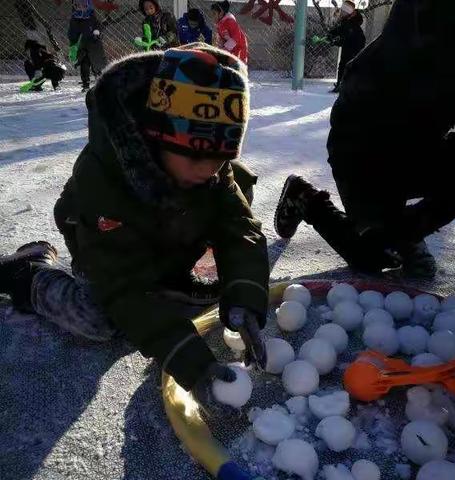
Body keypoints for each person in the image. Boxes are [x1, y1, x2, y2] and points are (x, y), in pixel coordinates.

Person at [0, 45, 269, 415]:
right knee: (100, 319)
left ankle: (169, 278)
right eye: (196, 157)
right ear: (159, 136)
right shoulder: (104, 178)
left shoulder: (208, 167)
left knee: (224, 275)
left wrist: (246, 300)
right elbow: (121, 286)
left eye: (221, 159)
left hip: (167, 231)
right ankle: (27, 273)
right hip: (103, 244)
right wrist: (195, 365)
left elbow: (239, 227)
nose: (209, 169)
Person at [274, 0, 455, 277]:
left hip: (419, 146)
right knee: (372, 255)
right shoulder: (422, 35)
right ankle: (306, 198)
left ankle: (398, 229)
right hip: (364, 150)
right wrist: (403, 226)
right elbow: (356, 145)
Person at [55, 0, 115, 92]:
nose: (80, 7)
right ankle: (86, 84)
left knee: (97, 64)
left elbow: (98, 26)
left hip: (93, 44)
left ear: (88, 5)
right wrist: (73, 45)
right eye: (77, 5)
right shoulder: (74, 19)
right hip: (82, 47)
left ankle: (100, 81)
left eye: (83, 5)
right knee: (84, 64)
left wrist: (97, 33)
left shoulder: (91, 17)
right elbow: (71, 34)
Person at [327, 0, 365, 93]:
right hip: (349, 46)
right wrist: (331, 34)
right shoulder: (347, 21)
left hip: (354, 47)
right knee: (344, 64)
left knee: (347, 65)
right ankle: (342, 83)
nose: (341, 12)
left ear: (349, 13)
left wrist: (334, 41)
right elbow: (340, 30)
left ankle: (345, 84)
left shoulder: (352, 24)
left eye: (344, 11)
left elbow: (346, 38)